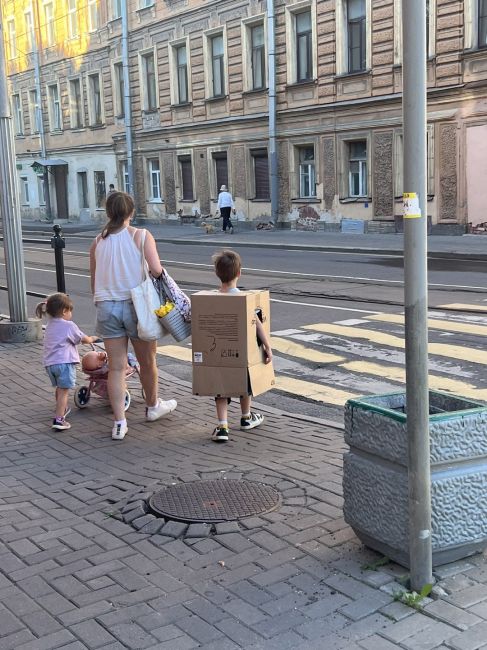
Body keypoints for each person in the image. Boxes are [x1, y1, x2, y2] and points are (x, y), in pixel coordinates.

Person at [89, 191, 177, 441]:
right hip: (137, 306)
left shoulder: (98, 242)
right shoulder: (141, 236)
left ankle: (119, 423)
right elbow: (157, 270)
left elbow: (94, 281)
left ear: (108, 213)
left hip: (107, 307)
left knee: (116, 368)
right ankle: (152, 407)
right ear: (131, 212)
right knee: (147, 362)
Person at [210, 249, 273, 443]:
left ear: (216, 274)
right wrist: (267, 347)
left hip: (218, 355)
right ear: (239, 273)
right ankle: (246, 417)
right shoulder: (244, 300)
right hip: (242, 355)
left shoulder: (211, 299)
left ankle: (222, 426)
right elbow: (257, 326)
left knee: (221, 389)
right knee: (245, 385)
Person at [36, 293, 97, 431]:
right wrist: (92, 338)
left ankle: (62, 407)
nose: (71, 314)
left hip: (50, 364)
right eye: (70, 311)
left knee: (60, 388)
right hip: (64, 363)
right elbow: (83, 339)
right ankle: (59, 419)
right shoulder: (69, 325)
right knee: (64, 391)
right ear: (64, 311)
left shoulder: (50, 324)